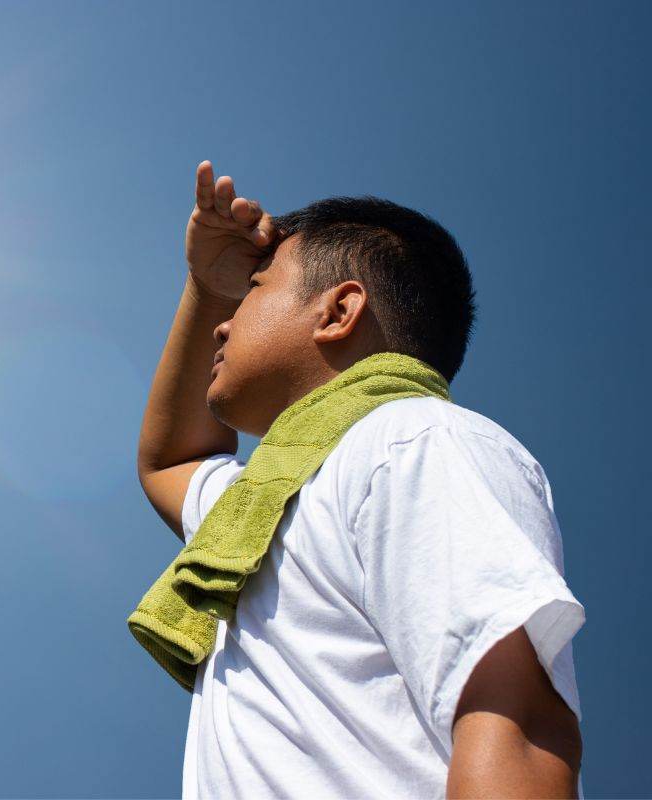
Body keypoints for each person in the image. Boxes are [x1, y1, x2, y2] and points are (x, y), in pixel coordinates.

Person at [135, 161, 586, 798]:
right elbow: (169, 460)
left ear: (340, 310)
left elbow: (516, 725)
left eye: (253, 288)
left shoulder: (412, 440)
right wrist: (205, 286)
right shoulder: (259, 514)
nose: (224, 321)